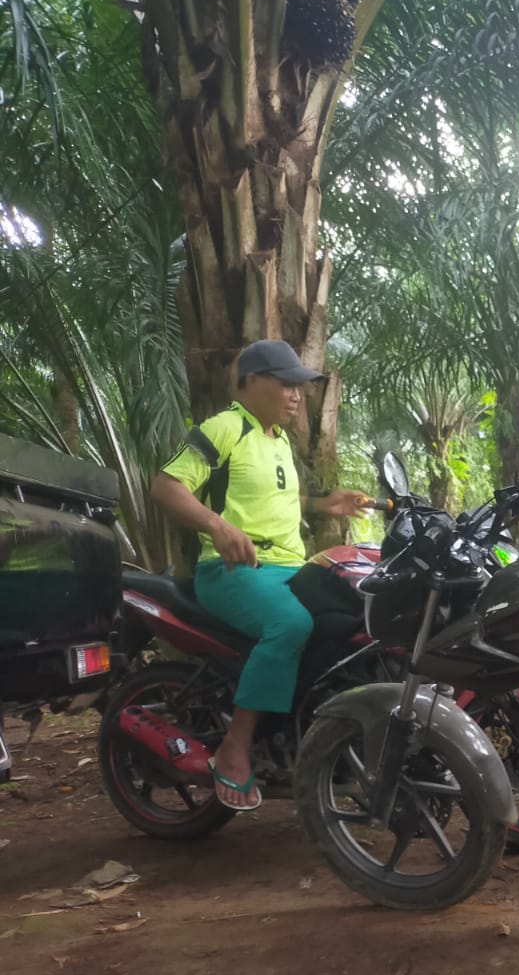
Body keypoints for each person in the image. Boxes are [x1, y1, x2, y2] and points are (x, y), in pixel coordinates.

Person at [150, 340, 366, 810]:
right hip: (232, 571)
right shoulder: (225, 428)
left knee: (352, 613)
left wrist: (322, 503)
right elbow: (166, 486)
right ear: (250, 382)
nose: (296, 395)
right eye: (285, 384)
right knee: (290, 625)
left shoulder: (279, 440)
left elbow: (272, 500)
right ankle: (235, 748)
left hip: (289, 569)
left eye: (300, 387)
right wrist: (217, 525)